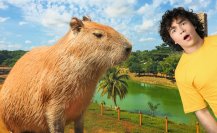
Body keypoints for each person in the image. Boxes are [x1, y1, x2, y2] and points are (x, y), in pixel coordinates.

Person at [159, 7, 217, 132]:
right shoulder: (181, 73)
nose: (181, 30)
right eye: (173, 30)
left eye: (183, 23)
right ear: (173, 40)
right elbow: (201, 111)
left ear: (194, 25)